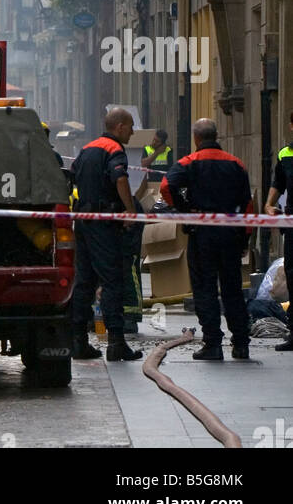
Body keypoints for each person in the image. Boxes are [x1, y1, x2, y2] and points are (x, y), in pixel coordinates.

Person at [161, 118, 252, 361]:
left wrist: (183, 208)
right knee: (232, 288)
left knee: (205, 288)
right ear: (217, 136)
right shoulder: (236, 164)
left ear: (196, 139)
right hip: (230, 233)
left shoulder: (189, 162)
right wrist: (245, 238)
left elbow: (166, 186)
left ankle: (213, 344)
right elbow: (248, 204)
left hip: (202, 234)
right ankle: (241, 344)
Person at [70, 107, 143, 363]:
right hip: (103, 224)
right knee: (112, 280)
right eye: (131, 126)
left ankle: (77, 342)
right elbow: (120, 178)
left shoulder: (88, 149)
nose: (133, 131)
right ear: (119, 126)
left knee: (84, 281)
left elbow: (72, 177)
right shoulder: (113, 150)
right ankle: (116, 344)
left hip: (83, 222)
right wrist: (129, 210)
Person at [263, 111, 293, 352]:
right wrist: (269, 204)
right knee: (292, 274)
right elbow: (278, 184)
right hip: (292, 223)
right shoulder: (285, 154)